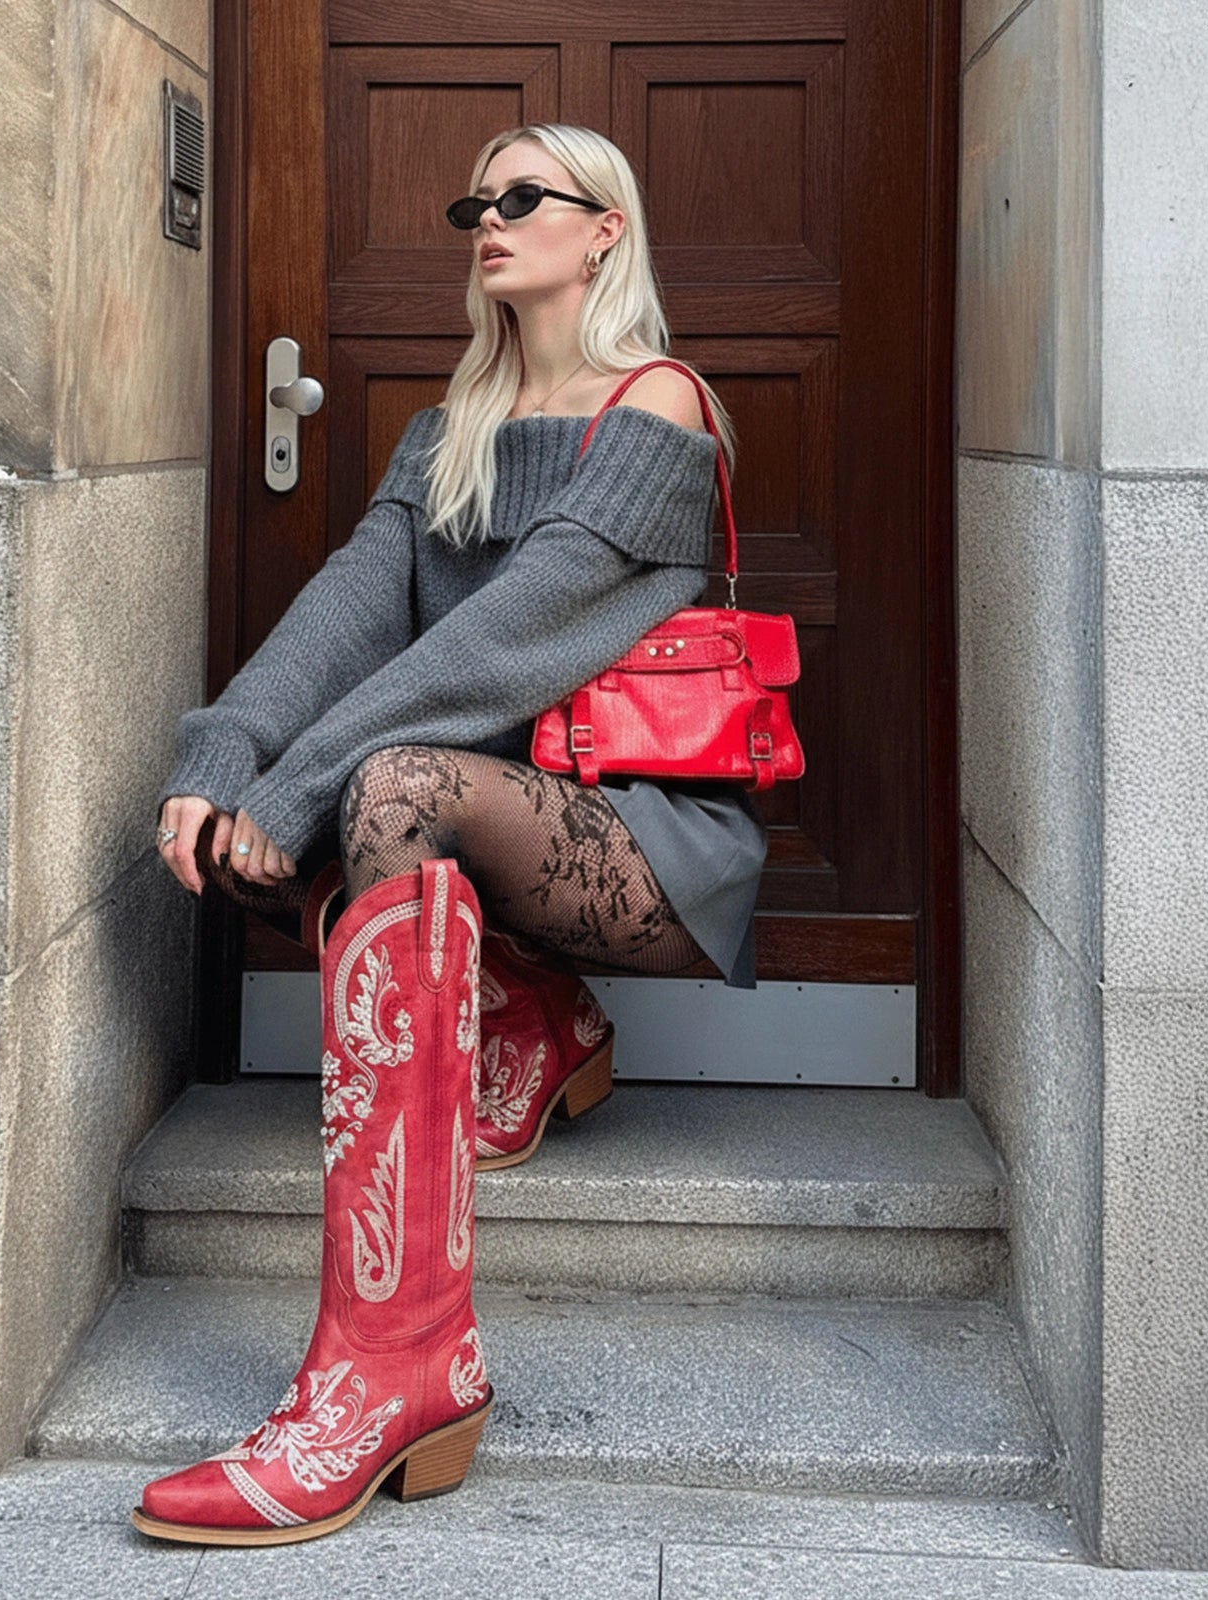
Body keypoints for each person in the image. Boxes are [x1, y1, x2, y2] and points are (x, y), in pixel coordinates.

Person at [132, 122, 769, 1548]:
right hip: (482, 798)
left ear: (605, 228)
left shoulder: (658, 410)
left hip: (643, 842)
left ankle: (392, 1369)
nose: (492, 217)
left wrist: (297, 781)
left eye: (526, 196)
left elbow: (489, 653)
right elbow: (349, 618)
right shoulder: (450, 434)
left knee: (384, 788)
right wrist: (227, 754)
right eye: (475, 198)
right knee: (265, 823)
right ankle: (523, 1037)